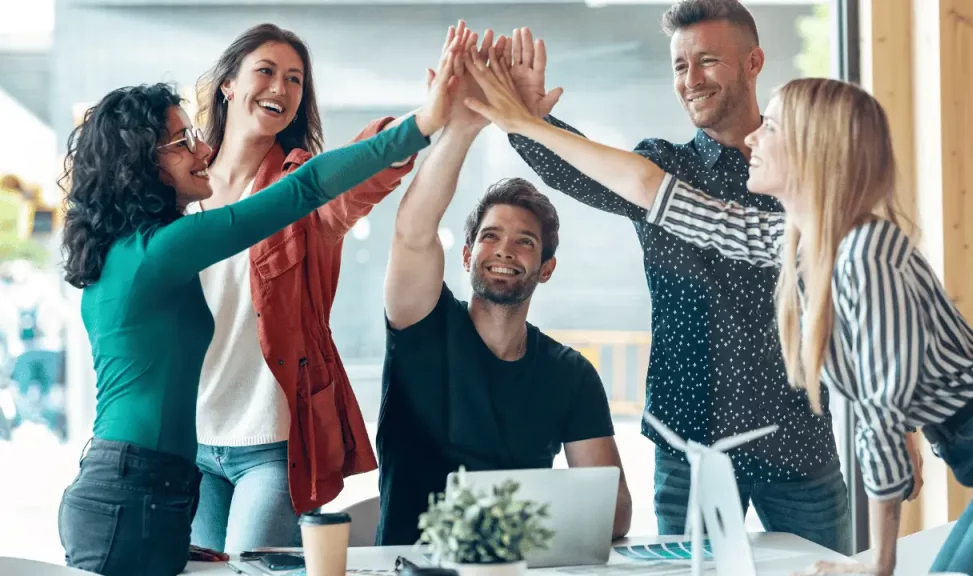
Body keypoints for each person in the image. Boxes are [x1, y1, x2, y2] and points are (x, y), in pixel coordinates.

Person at [463, 45, 973, 576]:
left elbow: (880, 414)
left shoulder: (864, 250)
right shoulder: (801, 241)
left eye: (772, 128)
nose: (755, 137)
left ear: (811, 149)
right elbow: (653, 191)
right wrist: (526, 124)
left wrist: (876, 560)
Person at [55, 44, 456, 576]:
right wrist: (426, 122)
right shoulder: (158, 251)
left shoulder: (126, 248)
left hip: (148, 485)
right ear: (141, 163)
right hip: (135, 490)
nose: (200, 151)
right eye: (180, 142)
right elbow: (305, 188)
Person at [497, 0, 856, 553]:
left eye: (707, 61)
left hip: (799, 443)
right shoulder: (661, 167)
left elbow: (858, 306)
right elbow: (583, 170)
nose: (691, 80)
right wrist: (530, 123)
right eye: (680, 66)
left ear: (754, 61)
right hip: (691, 448)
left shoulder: (805, 175)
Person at [376, 23, 632, 546]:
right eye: (490, 237)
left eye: (525, 243)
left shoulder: (571, 374)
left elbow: (614, 516)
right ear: (468, 255)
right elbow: (413, 231)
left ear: (546, 268)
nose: (506, 251)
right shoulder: (422, 324)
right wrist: (464, 127)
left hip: (518, 565)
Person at [186, 23, 417, 553]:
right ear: (227, 84)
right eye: (265, 71)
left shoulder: (300, 185)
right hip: (188, 440)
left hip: (271, 445)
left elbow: (359, 179)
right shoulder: (177, 188)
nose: (281, 88)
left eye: (295, 80)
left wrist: (424, 121)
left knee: (250, 568)